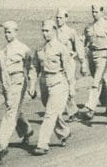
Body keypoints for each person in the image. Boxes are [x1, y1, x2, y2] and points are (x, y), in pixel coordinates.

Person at [29, 19, 77, 156]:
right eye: (43, 31)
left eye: (47, 31)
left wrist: (72, 86)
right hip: (44, 81)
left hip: (58, 81)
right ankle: (64, 132)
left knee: (49, 113)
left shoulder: (61, 48)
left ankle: (42, 144)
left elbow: (68, 68)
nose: (44, 34)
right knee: (53, 112)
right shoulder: (39, 49)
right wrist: (32, 84)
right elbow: (34, 67)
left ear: (54, 31)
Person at [0, 20, 33, 161]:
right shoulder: (3, 51)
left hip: (18, 82)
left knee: (10, 111)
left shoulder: (23, 49)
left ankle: (1, 144)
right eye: (5, 32)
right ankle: (27, 130)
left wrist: (31, 85)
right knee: (15, 109)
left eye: (9, 32)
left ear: (16, 32)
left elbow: (30, 66)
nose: (7, 35)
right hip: (7, 83)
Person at [82, 2, 107, 121]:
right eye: (93, 11)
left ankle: (90, 108)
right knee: (98, 80)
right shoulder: (89, 27)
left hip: (103, 55)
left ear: (102, 12)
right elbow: (85, 42)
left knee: (96, 82)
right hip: (91, 55)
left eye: (97, 12)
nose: (94, 14)